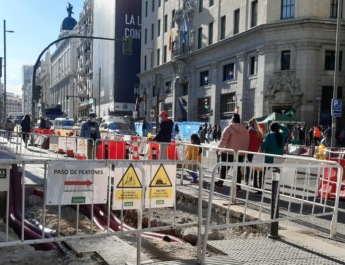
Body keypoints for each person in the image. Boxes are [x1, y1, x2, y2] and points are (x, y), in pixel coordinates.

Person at [215, 114, 250, 192]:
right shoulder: (245, 130)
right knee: (237, 169)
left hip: (228, 152)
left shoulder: (228, 128)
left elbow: (223, 141)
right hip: (240, 153)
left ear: (232, 120)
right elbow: (247, 142)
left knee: (224, 168)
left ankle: (220, 183)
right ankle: (238, 187)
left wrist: (218, 149)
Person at [259, 123, 289, 195]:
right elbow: (287, 130)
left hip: (268, 159)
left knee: (262, 174)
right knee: (276, 175)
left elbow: (263, 146)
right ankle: (276, 190)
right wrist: (279, 126)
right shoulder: (282, 135)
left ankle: (260, 189)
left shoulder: (268, 135)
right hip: (278, 159)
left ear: (270, 129)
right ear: (278, 128)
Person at [245, 117, 264, 188]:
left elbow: (247, 142)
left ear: (250, 124)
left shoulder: (249, 132)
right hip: (258, 152)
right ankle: (255, 183)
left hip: (250, 151)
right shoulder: (260, 132)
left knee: (249, 167)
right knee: (255, 168)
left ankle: (248, 180)